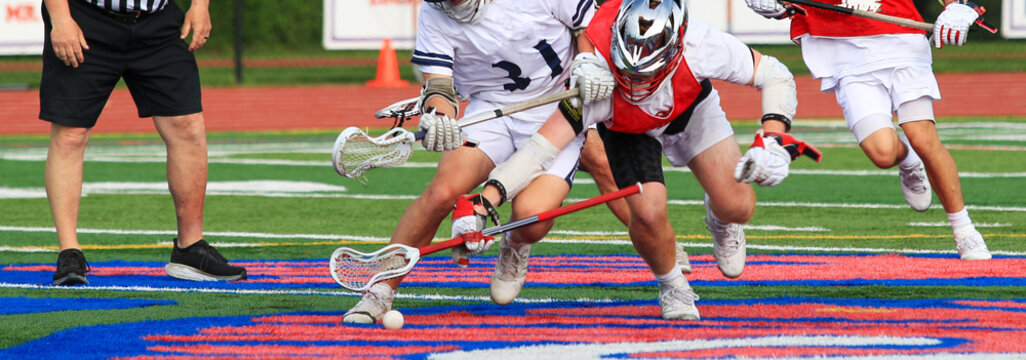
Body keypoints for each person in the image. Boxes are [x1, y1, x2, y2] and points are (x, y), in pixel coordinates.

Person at [453, 0, 818, 320]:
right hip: (628, 128)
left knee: (738, 206)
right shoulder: (594, 71)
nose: (637, 81)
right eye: (629, 69)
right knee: (647, 210)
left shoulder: (701, 43)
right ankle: (672, 284)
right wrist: (484, 203)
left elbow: (774, 74)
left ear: (677, 47)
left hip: (689, 109)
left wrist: (772, 138)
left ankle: (720, 218)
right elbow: (539, 150)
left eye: (648, 71)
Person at [341, 0, 616, 323]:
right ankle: (379, 290)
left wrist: (586, 60)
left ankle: (515, 242)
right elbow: (440, 87)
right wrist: (439, 117)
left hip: (556, 106)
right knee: (442, 192)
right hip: (490, 111)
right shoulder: (433, 13)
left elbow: (589, 24)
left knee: (532, 219)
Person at [744, 0, 991, 260]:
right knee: (883, 154)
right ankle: (909, 161)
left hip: (901, 38)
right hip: (843, 51)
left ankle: (964, 229)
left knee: (923, 138)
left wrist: (960, 6)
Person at [42, 0, 247, 285]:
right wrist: (60, 17)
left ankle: (190, 247)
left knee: (186, 126)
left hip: (157, 21)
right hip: (86, 18)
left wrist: (200, 6)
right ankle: (69, 252)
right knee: (71, 133)